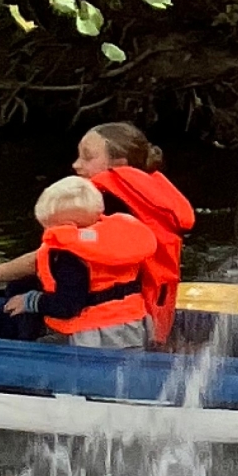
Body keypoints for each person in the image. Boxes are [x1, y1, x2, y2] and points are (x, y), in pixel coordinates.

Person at [0, 176, 156, 348]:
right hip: (133, 326)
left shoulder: (69, 257)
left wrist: (29, 301)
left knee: (38, 347)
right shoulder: (115, 240)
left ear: (64, 226)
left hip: (94, 337)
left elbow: (67, 306)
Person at [72, 122, 194, 344]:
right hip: (149, 317)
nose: (76, 165)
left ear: (119, 164)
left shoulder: (107, 204)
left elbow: (55, 254)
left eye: (87, 157)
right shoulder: (145, 201)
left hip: (112, 327)